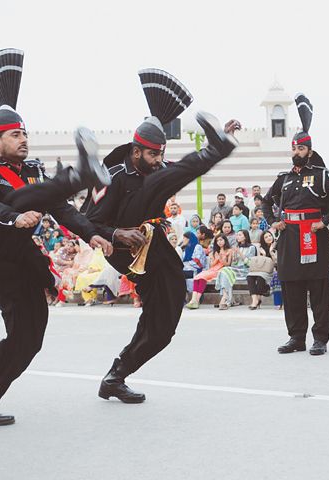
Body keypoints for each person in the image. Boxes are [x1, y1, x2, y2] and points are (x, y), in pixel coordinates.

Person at [0, 49, 113, 427]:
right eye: (15, 134)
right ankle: (81, 173)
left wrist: (91, 233)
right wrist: (14, 218)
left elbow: (60, 208)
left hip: (18, 259)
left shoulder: (32, 169)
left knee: (28, 338)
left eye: (25, 133)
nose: (23, 139)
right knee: (20, 198)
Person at [81, 67, 239, 402]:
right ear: (136, 150)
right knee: (161, 180)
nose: (158, 160)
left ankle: (116, 375)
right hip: (124, 249)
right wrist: (117, 233)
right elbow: (86, 223)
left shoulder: (158, 169)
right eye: (153, 154)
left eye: (161, 153)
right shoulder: (111, 177)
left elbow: (182, 169)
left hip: (156, 249)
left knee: (163, 327)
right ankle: (217, 147)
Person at [262, 93, 329, 356]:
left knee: (319, 291)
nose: (296, 152)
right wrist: (272, 221)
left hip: (314, 238)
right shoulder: (284, 179)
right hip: (289, 238)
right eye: (293, 148)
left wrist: (324, 222)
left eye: (300, 148)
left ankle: (320, 339)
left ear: (309, 151)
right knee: (292, 290)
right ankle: (296, 337)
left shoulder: (322, 176)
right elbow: (267, 202)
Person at [187, 234, 234, 308]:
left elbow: (228, 264)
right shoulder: (214, 252)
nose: (219, 242)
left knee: (202, 277)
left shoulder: (229, 251)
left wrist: (221, 259)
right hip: (212, 270)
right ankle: (194, 300)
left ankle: (195, 300)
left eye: (221, 240)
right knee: (198, 277)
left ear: (225, 240)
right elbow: (212, 265)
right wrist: (216, 259)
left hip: (220, 270)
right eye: (217, 240)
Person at [216, 230, 257, 309]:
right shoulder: (236, 247)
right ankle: (225, 297)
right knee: (223, 271)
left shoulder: (251, 248)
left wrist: (239, 253)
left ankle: (225, 299)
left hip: (245, 270)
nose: (237, 236)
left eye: (240, 235)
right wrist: (234, 257)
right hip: (236, 269)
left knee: (225, 271)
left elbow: (249, 263)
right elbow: (234, 263)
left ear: (245, 236)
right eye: (237, 235)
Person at [247, 230, 276, 309]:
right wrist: (263, 254)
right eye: (266, 237)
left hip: (273, 270)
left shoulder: (277, 245)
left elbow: (276, 262)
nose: (268, 238)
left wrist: (270, 252)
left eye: (270, 236)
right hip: (262, 269)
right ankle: (255, 299)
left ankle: (258, 299)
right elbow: (260, 263)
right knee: (249, 277)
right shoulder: (261, 248)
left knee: (261, 277)